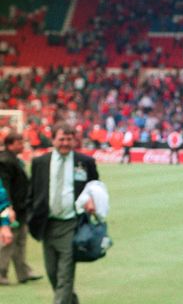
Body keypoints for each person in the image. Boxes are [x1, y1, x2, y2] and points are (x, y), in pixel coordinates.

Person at [28, 123, 99, 304]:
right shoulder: (40, 163)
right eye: (61, 139)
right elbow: (32, 193)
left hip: (71, 225)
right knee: (52, 273)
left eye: (69, 139)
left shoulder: (85, 162)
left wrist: (92, 200)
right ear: (53, 140)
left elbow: (95, 188)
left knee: (65, 275)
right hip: (47, 225)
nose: (66, 143)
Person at [0, 132, 43, 285]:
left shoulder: (13, 159)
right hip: (12, 208)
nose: (23, 145)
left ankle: (23, 272)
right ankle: (1, 273)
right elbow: (4, 186)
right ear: (11, 144)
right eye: (20, 142)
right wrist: (7, 208)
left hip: (21, 207)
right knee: (8, 240)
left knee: (20, 240)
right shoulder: (4, 161)